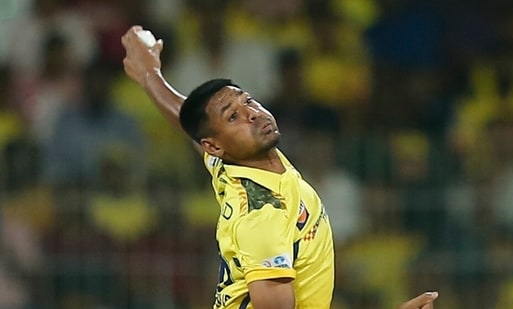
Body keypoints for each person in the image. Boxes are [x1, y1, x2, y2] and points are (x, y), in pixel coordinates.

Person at [121, 25, 439, 309]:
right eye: (234, 116)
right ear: (215, 145)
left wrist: (149, 74)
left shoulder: (236, 161)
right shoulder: (263, 217)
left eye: (248, 101)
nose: (253, 114)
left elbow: (190, 123)